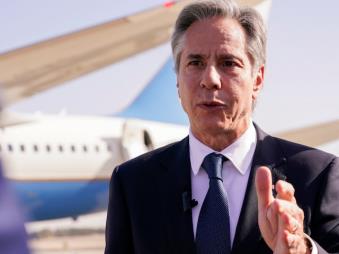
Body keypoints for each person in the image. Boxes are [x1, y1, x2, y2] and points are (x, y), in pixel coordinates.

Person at [105, 0, 339, 253]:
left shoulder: (317, 175)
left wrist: (303, 249)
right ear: (178, 81)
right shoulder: (133, 183)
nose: (210, 80)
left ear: (257, 79)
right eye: (195, 63)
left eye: (228, 63)